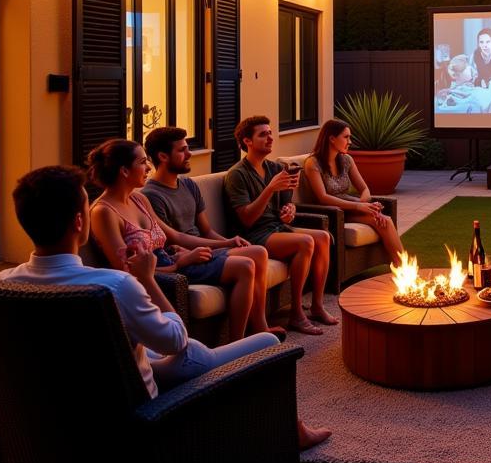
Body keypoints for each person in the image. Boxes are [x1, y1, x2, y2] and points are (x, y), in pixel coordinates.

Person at [2, 165, 330, 449]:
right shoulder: (113, 286)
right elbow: (175, 340)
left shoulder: (6, 285)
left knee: (165, 351)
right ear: (78, 222)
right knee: (268, 345)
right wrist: (146, 279)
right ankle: (293, 433)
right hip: (142, 410)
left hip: (64, 416)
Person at [87, 139, 272, 343]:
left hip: (173, 260)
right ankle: (239, 342)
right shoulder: (104, 212)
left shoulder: (139, 200)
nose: (148, 167)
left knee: (254, 255)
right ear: (124, 171)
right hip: (164, 274)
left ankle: (250, 334)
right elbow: (126, 270)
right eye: (142, 162)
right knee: (245, 265)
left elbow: (175, 236)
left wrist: (226, 243)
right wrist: (181, 263)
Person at [141, 126, 285, 340]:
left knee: (259, 253)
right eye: (182, 150)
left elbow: (206, 230)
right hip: (188, 257)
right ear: (162, 156)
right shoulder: (151, 195)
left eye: (188, 147)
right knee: (247, 264)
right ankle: (237, 341)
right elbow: (175, 239)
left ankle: (259, 326)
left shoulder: (189, 185)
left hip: (206, 250)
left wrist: (229, 240)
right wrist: (226, 245)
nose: (189, 154)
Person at [224, 116, 336, 336]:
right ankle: (296, 313)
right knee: (305, 242)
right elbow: (247, 219)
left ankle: (317, 306)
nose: (270, 138)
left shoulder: (275, 167)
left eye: (270, 133)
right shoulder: (237, 174)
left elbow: (287, 204)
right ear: (247, 141)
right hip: (252, 235)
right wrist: (269, 189)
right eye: (263, 134)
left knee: (323, 237)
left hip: (277, 228)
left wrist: (289, 211)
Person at [301, 119, 404, 263]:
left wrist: (364, 203)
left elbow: (364, 189)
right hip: (331, 212)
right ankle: (403, 270)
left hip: (350, 208)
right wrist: (358, 206)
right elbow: (322, 197)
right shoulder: (313, 163)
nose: (349, 141)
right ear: (331, 139)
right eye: (346, 137)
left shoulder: (346, 160)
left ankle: (403, 270)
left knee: (384, 220)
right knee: (382, 219)